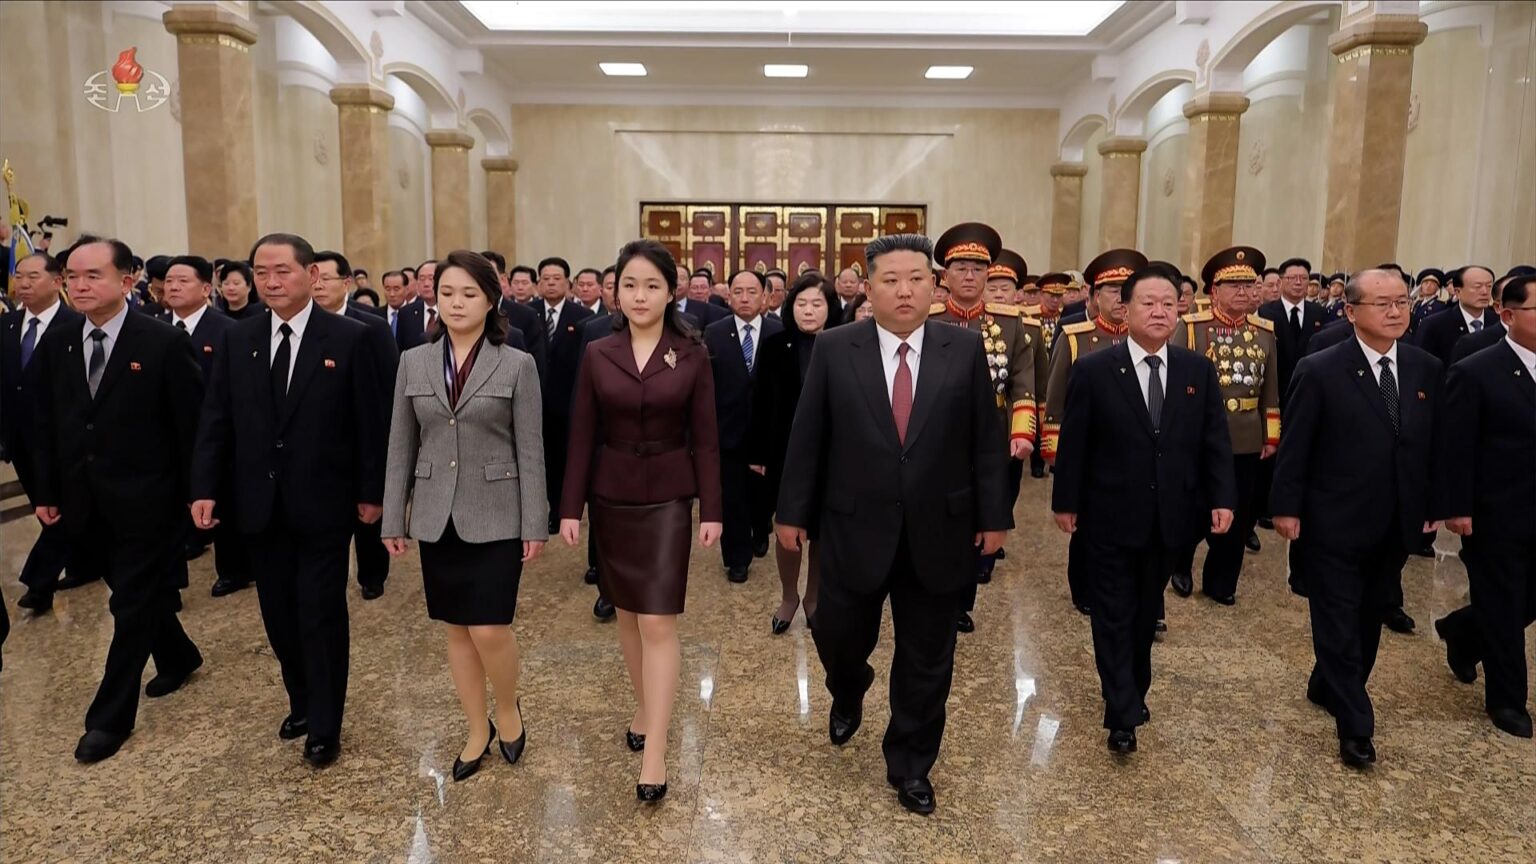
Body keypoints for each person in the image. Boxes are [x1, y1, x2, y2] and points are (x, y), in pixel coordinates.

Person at [776, 233, 1009, 816]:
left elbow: (986, 438)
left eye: (916, 279)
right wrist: (791, 514)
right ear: (867, 287)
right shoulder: (835, 347)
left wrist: (994, 515)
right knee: (836, 631)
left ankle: (910, 764)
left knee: (928, 655)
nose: (904, 290)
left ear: (935, 286)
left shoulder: (964, 347)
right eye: (890, 280)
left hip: (942, 528)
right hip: (854, 525)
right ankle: (848, 686)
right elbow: (809, 438)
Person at [190, 232, 386, 768]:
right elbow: (217, 418)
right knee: (277, 611)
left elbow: (371, 423)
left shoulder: (350, 338)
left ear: (311, 276)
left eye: (283, 271)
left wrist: (374, 494)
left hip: (325, 501)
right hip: (257, 501)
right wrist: (204, 486)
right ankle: (300, 701)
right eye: (261, 272)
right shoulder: (238, 337)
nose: (271, 282)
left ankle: (325, 722)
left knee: (319, 610)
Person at [29, 236, 205, 762]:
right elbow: (45, 423)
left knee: (129, 604)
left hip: (150, 502)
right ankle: (178, 655)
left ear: (126, 281)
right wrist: (45, 491)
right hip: (84, 501)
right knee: (137, 594)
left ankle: (108, 718)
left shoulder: (161, 342)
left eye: (92, 276)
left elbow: (192, 426)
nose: (80, 286)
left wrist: (199, 496)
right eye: (72, 277)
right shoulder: (58, 342)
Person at [559, 239, 723, 803]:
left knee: (657, 620)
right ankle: (643, 703)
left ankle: (655, 751)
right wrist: (569, 507)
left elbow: (706, 438)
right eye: (629, 284)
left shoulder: (693, 353)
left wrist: (713, 509)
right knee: (627, 613)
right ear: (615, 290)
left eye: (652, 285)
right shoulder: (597, 350)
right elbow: (581, 431)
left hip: (669, 501)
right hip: (612, 497)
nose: (640, 295)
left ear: (671, 291)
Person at [1052, 263, 1235, 755]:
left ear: (1180, 309)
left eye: (1168, 303)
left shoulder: (1197, 370)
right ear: (1124, 309)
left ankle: (1132, 690)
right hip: (1107, 514)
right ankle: (1121, 710)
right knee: (1111, 611)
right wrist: (1065, 502)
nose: (1159, 311)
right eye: (1147, 303)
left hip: (1171, 517)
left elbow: (1214, 439)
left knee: (1141, 615)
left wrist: (1222, 498)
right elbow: (1075, 443)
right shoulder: (1094, 369)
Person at [382, 250, 548, 779]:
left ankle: (507, 707)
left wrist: (534, 522)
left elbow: (531, 449)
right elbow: (400, 446)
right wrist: (393, 516)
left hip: (497, 511)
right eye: (447, 292)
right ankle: (476, 727)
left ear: (491, 299)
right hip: (435, 514)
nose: (456, 302)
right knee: (456, 629)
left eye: (469, 294)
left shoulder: (517, 363)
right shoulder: (414, 360)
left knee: (491, 628)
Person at [1270, 269, 1441, 769]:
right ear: (1350, 311)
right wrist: (1285, 506)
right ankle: (1356, 726)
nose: (1394, 312)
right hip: (1332, 521)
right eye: (1382, 304)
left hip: (1396, 520)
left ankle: (1328, 684)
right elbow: (1296, 446)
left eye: (1401, 303)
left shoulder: (1425, 367)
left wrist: (1435, 505)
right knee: (1338, 620)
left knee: (1369, 617)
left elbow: (1435, 447)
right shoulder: (1320, 368)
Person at [1430, 273, 1536, 740]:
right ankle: (1508, 700)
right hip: (1497, 512)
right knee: (1505, 599)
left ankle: (1464, 630)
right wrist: (1457, 507)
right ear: (1508, 315)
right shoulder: (1477, 369)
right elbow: (1456, 446)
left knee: (1516, 603)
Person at [929, 229, 1039, 633]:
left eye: (979, 269)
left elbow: (1023, 381)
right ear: (945, 276)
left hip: (993, 435)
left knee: (984, 511)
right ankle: (940, 590)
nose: (971, 276)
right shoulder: (930, 319)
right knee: (944, 514)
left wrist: (1023, 431)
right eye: (961, 268)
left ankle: (964, 596)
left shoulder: (1010, 323)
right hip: (940, 436)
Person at [1170, 247, 1279, 606]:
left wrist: (1271, 434)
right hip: (1200, 436)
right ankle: (1180, 565)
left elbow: (1270, 390)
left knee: (1239, 509)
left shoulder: (1264, 332)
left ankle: (1221, 582)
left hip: (1246, 435)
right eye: (1233, 285)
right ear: (1213, 291)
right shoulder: (1191, 328)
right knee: (1195, 506)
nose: (1243, 292)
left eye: (1249, 285)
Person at [1041, 249, 1147, 617]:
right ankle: (1084, 587)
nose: (1120, 298)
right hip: (1089, 450)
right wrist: (1055, 453)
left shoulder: (1150, 340)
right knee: (1087, 526)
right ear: (1094, 297)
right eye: (1112, 290)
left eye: (1127, 290)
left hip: (1139, 451)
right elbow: (1055, 400)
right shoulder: (1075, 337)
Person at [3, 252, 99, 614]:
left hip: (67, 439)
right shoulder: (7, 325)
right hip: (21, 440)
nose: (23, 284)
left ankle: (39, 582)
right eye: (19, 277)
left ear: (57, 282)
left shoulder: (75, 324)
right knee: (47, 506)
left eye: (32, 277)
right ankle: (84, 563)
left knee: (61, 507)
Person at [749, 271, 837, 634]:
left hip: (834, 455)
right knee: (787, 529)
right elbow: (758, 403)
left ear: (830, 308)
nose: (809, 310)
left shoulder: (844, 346)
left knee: (821, 531)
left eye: (817, 303)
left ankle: (814, 598)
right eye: (801, 303)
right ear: (790, 307)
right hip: (784, 454)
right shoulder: (774, 344)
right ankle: (789, 596)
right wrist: (756, 453)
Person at [314, 251, 402, 600]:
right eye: (312, 279)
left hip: (364, 436)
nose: (318, 286)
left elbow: (388, 388)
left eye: (326, 279)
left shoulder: (371, 325)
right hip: (322, 444)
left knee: (368, 516)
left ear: (346, 283)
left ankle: (373, 574)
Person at [161, 256, 241, 575]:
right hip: (166, 435)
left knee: (223, 502)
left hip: (215, 433)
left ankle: (233, 570)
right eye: (169, 281)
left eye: (182, 280)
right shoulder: (151, 326)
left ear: (206, 288)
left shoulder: (229, 331)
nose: (174, 286)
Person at [705, 269, 783, 583]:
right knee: (732, 496)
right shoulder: (714, 332)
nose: (746, 298)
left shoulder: (779, 331)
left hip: (767, 431)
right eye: (738, 291)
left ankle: (761, 528)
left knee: (762, 493)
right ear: (729, 295)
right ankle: (736, 557)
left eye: (753, 291)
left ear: (765, 296)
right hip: (728, 430)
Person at [528, 255, 594, 531]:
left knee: (563, 458)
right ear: (539, 283)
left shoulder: (583, 317)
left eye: (557, 279)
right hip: (532, 398)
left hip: (567, 400)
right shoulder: (527, 313)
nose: (551, 283)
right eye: (546, 279)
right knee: (538, 459)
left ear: (569, 283)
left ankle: (560, 509)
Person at [482, 251, 548, 379]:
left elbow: (536, 365)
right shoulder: (464, 313)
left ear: (502, 279)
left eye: (488, 274)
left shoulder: (526, 315)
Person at [1416, 264, 1497, 367]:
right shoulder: (1434, 324)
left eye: (1489, 286)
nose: (1485, 292)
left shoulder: (1498, 322)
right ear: (1458, 292)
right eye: (1478, 286)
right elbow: (1422, 364)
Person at [381, 269, 427, 351]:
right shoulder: (375, 316)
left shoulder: (418, 315)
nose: (392, 294)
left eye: (396, 289)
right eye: (387, 289)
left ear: (406, 289)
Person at [1409, 267, 1448, 335]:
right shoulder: (1418, 303)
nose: (1428, 286)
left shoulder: (1440, 306)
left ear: (1438, 288)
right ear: (1421, 286)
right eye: (1426, 283)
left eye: (1432, 284)